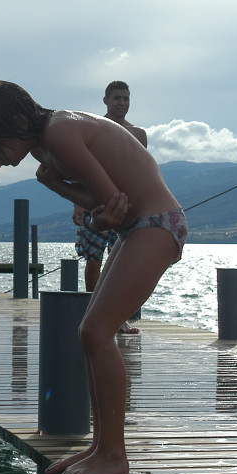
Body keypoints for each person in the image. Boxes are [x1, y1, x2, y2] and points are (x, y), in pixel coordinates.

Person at [0, 80, 187, 474]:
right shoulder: (47, 142)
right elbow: (104, 202)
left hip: (155, 224)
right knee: (89, 334)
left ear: (16, 121)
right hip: (139, 227)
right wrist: (56, 185)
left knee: (96, 332)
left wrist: (83, 206)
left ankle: (114, 454)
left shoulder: (59, 131)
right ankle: (101, 446)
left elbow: (111, 208)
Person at [73, 81, 147, 334]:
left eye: (126, 98)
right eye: (117, 98)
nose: (122, 103)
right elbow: (79, 168)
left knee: (123, 265)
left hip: (127, 206)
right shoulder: (94, 128)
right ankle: (93, 314)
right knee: (93, 261)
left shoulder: (138, 134)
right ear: (106, 100)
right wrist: (77, 204)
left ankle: (119, 318)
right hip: (95, 203)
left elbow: (142, 172)